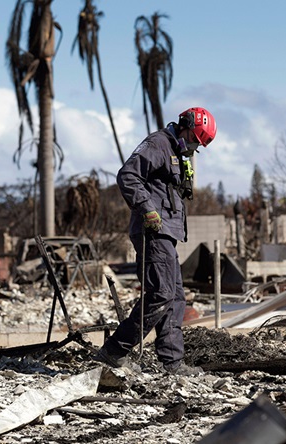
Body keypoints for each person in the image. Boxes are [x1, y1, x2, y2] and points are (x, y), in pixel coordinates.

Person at [93, 107, 217, 376]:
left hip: (166, 233)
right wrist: (147, 208)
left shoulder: (176, 152)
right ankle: (113, 352)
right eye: (195, 139)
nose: (194, 147)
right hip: (152, 230)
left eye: (199, 144)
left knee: (175, 298)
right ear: (184, 126)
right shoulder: (158, 144)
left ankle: (172, 364)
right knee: (160, 294)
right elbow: (128, 175)